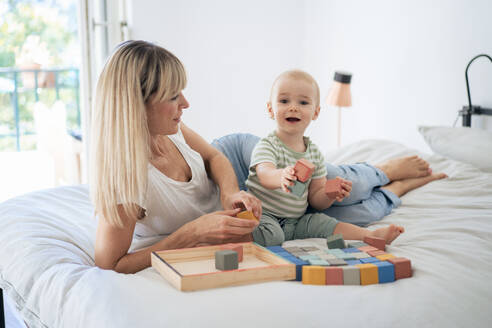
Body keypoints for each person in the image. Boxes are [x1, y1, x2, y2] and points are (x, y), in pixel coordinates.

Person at [90, 40, 262, 274]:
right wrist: (192, 233)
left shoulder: (171, 130)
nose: (186, 103)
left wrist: (230, 192)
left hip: (235, 158)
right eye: (173, 96)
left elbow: (214, 156)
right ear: (136, 105)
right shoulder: (127, 182)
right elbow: (109, 264)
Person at [243, 69, 447, 246]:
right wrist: (281, 176)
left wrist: (331, 193)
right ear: (271, 109)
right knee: (270, 236)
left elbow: (316, 198)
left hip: (296, 221)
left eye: (303, 102)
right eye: (284, 101)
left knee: (324, 222)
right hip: (265, 215)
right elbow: (264, 173)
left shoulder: (313, 152)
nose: (293, 107)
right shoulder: (268, 145)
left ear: (315, 112)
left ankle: (370, 235)